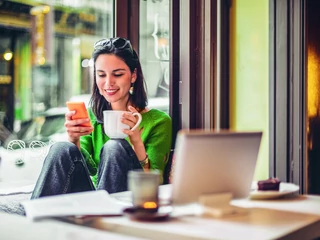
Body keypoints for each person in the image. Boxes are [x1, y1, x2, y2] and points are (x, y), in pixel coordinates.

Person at [31, 37, 172, 198]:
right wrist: (74, 139)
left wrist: (137, 142)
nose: (108, 83)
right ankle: (32, 219)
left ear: (133, 75)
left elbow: (153, 184)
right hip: (92, 197)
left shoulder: (159, 122)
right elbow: (89, 169)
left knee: (115, 146)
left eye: (117, 74)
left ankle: (105, 217)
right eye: (101, 75)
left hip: (128, 199)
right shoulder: (92, 115)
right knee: (61, 147)